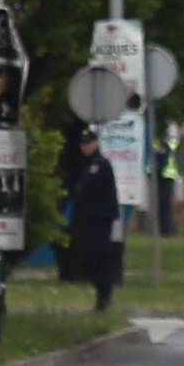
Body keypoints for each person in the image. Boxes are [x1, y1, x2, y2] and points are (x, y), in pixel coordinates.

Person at [70, 127, 123, 310]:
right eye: (82, 144)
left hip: (100, 220)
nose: (84, 147)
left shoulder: (99, 164)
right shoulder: (87, 163)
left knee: (100, 259)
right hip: (91, 219)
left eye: (88, 143)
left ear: (95, 144)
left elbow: (86, 189)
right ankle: (102, 296)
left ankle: (104, 298)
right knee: (90, 259)